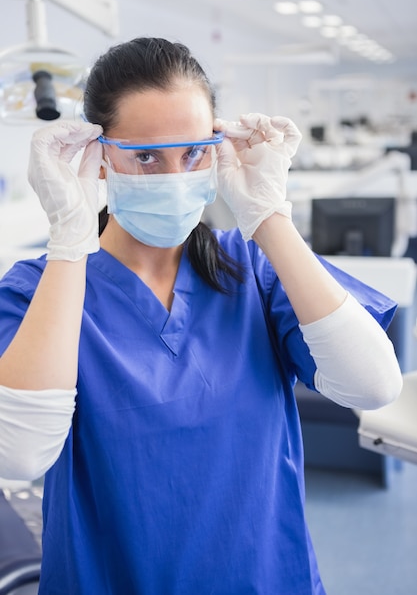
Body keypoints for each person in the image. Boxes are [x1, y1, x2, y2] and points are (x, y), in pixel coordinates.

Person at [0, 37, 402, 594]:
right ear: (98, 156)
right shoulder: (40, 290)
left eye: (193, 152)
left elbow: (373, 385)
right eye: (144, 156)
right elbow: (19, 454)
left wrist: (267, 214)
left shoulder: (255, 269)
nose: (173, 175)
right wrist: (70, 236)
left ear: (217, 146)